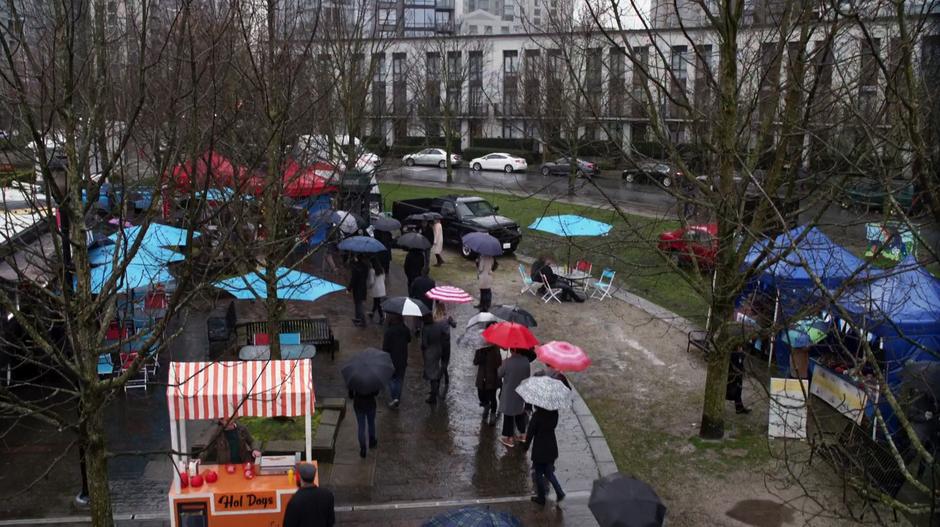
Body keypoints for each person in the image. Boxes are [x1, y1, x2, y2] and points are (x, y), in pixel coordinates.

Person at [522, 406, 565, 506]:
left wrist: (526, 446)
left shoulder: (537, 416)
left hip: (540, 449)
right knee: (549, 472)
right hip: (551, 447)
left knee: (539, 474)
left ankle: (541, 498)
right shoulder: (554, 413)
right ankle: (559, 492)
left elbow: (530, 433)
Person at [283, 463, 335, 527]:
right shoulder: (328, 495)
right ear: (314, 476)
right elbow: (331, 521)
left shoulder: (295, 501)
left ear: (299, 477)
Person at [497, 349, 531, 447]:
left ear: (512, 350)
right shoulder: (526, 361)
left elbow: (499, 374)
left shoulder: (507, 362)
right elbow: (527, 376)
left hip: (509, 393)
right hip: (521, 391)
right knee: (519, 412)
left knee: (508, 414)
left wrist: (503, 363)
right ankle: (523, 435)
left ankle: (508, 438)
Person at [421, 307, 453, 404]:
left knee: (432, 375)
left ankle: (433, 396)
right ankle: (434, 393)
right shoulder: (438, 326)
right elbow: (444, 335)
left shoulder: (425, 329)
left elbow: (424, 344)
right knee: (435, 371)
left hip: (430, 352)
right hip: (438, 350)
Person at [382, 314, 411, 408]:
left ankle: (394, 397)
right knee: (399, 379)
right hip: (402, 358)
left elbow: (385, 348)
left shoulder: (389, 331)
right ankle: (397, 398)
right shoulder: (405, 329)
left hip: (391, 359)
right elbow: (409, 339)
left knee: (390, 378)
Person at [474, 341, 502, 425]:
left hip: (492, 378)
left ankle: (493, 414)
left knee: (492, 397)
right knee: (481, 395)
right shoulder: (479, 348)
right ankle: (486, 405)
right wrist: (481, 356)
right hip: (481, 377)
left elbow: (498, 363)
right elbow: (475, 362)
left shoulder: (495, 349)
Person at [349, 387, 379, 458]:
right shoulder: (372, 377)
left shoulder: (355, 378)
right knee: (371, 423)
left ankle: (363, 448)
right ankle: (372, 441)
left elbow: (351, 395)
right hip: (370, 404)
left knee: (361, 427)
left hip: (358, 404)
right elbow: (376, 393)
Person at [726, 344, 751, 414]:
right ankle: (739, 408)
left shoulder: (737, 354)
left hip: (737, 376)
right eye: (740, 347)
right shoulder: (734, 354)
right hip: (734, 376)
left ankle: (739, 408)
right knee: (734, 391)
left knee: (738, 392)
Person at [348, 254, 369, 327]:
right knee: (358, 304)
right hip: (363, 288)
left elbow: (353, 280)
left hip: (357, 289)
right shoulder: (366, 267)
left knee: (359, 305)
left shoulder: (356, 268)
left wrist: (349, 288)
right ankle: (358, 319)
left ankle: (362, 321)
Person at [367, 257, 386, 325]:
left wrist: (368, 286)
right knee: (376, 302)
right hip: (382, 288)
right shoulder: (382, 270)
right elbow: (383, 279)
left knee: (378, 303)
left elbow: (371, 282)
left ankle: (382, 316)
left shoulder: (372, 270)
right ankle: (372, 313)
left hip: (375, 289)